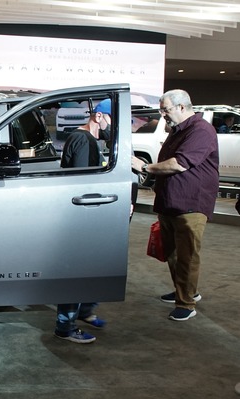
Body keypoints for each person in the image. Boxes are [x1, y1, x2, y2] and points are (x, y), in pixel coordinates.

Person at [132, 89, 219, 321]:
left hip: (190, 204)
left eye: (166, 109)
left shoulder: (201, 130)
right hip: (171, 202)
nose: (162, 115)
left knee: (187, 255)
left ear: (182, 107)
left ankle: (187, 303)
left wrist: (144, 167)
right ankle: (186, 290)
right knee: (171, 253)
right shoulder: (178, 130)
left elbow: (180, 164)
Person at [54, 98, 112, 344]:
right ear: (98, 117)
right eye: (111, 119)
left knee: (91, 269)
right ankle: (65, 327)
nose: (113, 126)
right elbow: (82, 182)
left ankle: (85, 311)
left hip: (88, 216)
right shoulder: (82, 139)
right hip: (82, 217)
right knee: (77, 272)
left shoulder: (88, 140)